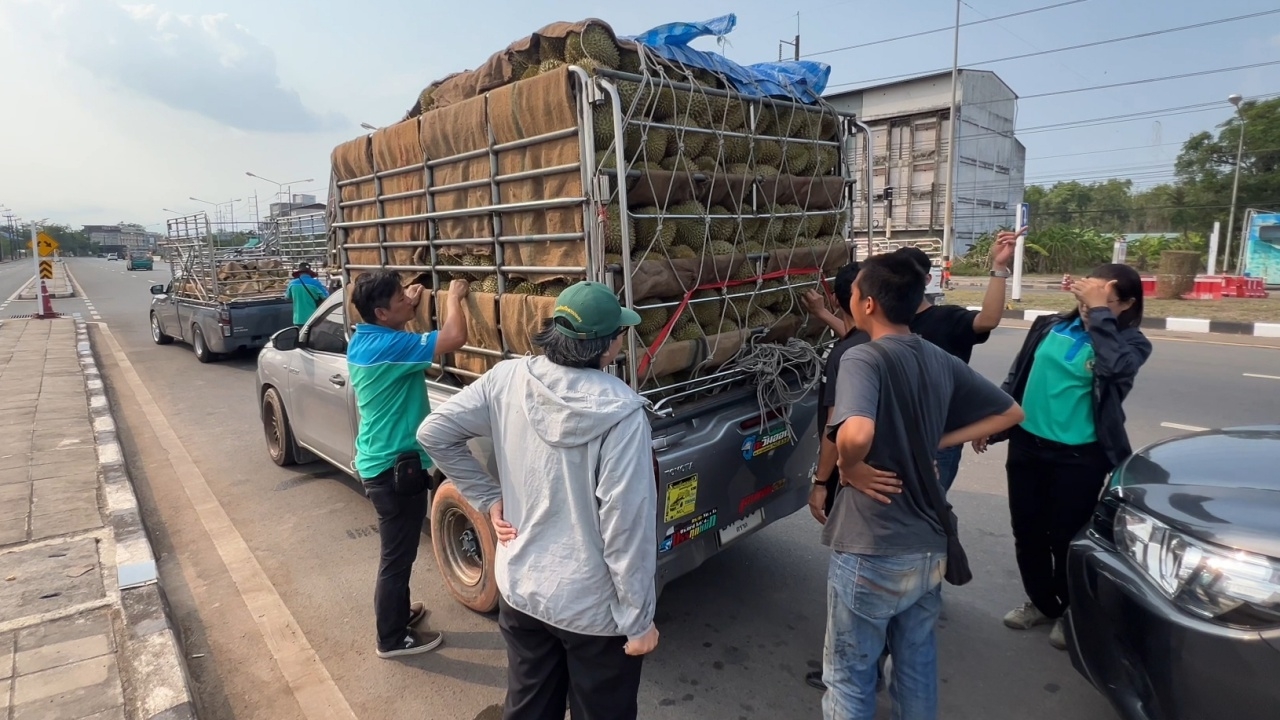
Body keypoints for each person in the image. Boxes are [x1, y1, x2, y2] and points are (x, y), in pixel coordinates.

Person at [418, 281, 659, 720]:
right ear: (607, 345)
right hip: (593, 612)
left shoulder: (507, 378)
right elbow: (626, 526)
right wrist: (639, 621)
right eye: (620, 333)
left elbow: (434, 432)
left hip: (522, 590)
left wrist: (488, 496)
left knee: (529, 709)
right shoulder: (622, 413)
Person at [822, 252, 1024, 719]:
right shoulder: (937, 356)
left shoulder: (862, 357)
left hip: (872, 544)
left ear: (867, 304)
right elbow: (1011, 412)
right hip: (927, 543)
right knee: (915, 669)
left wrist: (850, 466)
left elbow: (856, 432)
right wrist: (937, 440)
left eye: (855, 292)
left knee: (849, 678)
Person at [973, 263, 1151, 651]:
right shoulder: (1050, 325)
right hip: (1028, 447)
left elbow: (1114, 370)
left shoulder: (1131, 344)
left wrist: (1099, 315)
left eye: (1104, 300)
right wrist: (994, 421)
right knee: (1028, 532)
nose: (1090, 306)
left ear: (1127, 304)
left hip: (1079, 457)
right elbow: (1018, 377)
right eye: (1088, 297)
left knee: (1067, 538)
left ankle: (1071, 610)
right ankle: (1042, 603)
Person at [348, 271, 470, 659]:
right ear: (381, 313)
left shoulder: (366, 339)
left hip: (380, 462)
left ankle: (398, 615)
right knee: (397, 559)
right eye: (401, 298)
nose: (409, 299)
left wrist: (406, 310)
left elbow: (401, 333)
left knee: (398, 554)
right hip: (392, 469)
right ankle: (391, 638)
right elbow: (455, 337)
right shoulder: (391, 346)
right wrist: (454, 297)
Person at [894, 229, 1021, 490]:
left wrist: (999, 267)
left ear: (927, 279)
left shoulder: (948, 318)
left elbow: (988, 320)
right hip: (895, 435)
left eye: (909, 276)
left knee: (929, 506)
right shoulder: (887, 322)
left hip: (940, 438)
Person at [285, 262, 330, 326]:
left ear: (299, 273)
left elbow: (287, 297)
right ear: (310, 273)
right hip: (313, 319)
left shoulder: (292, 284)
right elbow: (326, 297)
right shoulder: (315, 283)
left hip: (298, 319)